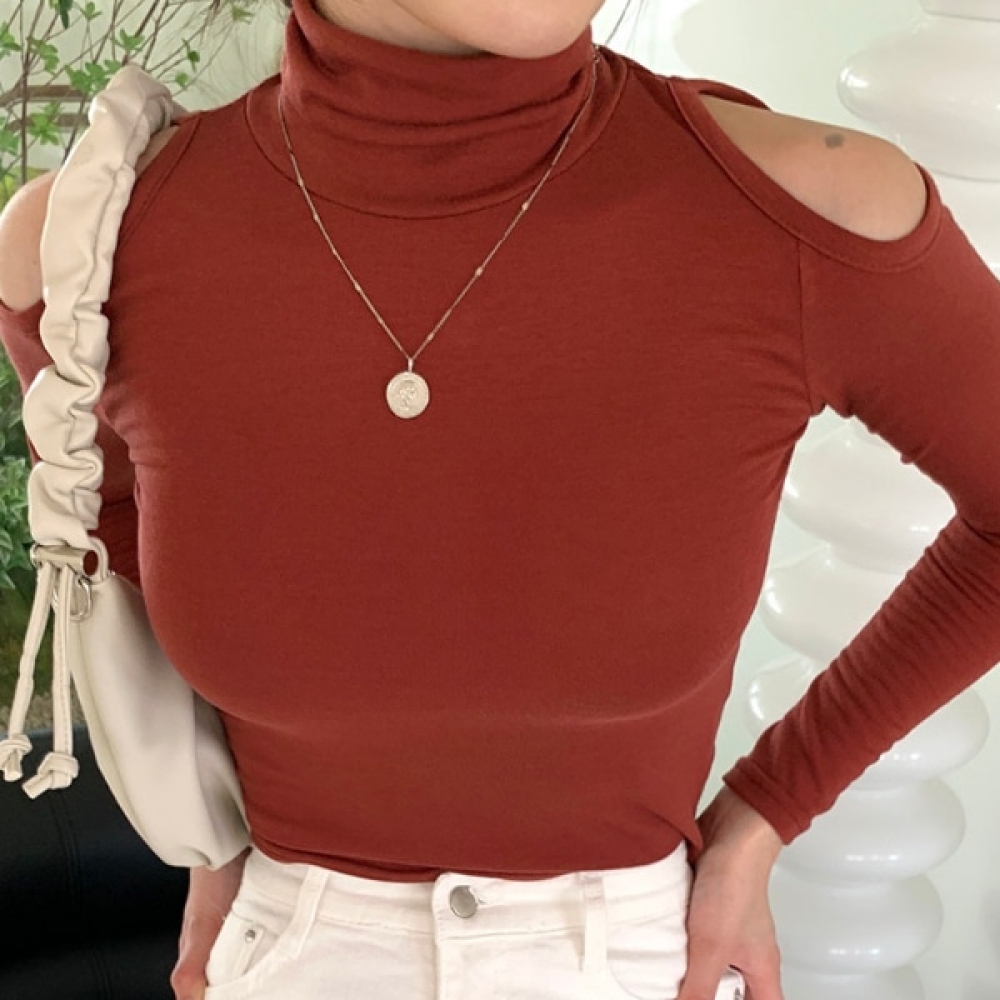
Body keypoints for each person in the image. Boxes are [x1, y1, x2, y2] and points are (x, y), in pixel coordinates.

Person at [1, 0, 999, 997]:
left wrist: (770, 806)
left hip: (634, 965)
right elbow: (116, 541)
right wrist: (213, 836)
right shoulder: (88, 256)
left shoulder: (796, 212)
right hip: (287, 953)